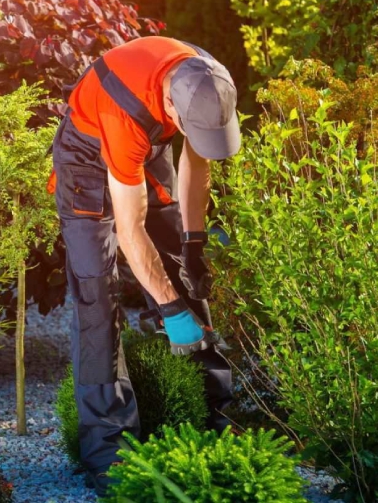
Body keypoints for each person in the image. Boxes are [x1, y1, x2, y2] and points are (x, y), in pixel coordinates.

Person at [47, 36, 239, 496]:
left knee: (179, 269)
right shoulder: (125, 110)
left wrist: (193, 245)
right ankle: (111, 452)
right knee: (98, 295)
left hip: (146, 152)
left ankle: (211, 416)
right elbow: (130, 230)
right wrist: (170, 312)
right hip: (87, 159)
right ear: (171, 109)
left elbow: (198, 167)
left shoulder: (209, 82)